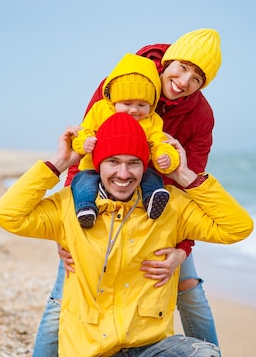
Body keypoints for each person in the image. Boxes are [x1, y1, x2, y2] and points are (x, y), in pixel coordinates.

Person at [0, 113, 253, 356]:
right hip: (91, 349)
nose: (123, 174)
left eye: (133, 163)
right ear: (98, 164)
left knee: (204, 353)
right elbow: (6, 214)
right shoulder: (69, 207)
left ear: (145, 167)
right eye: (113, 162)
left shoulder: (170, 206)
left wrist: (184, 175)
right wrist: (60, 163)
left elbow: (237, 227)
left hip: (149, 348)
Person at [34, 28, 223, 356]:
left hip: (156, 206)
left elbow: (190, 180)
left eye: (197, 78)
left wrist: (183, 248)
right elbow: (86, 153)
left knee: (189, 290)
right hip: (101, 200)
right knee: (66, 289)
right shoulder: (123, 79)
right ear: (168, 60)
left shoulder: (200, 115)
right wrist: (68, 230)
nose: (184, 81)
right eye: (182, 68)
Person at [71, 52, 179, 228]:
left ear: (152, 104)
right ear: (114, 100)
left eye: (142, 105)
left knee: (151, 176)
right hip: (93, 166)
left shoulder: (151, 120)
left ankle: (151, 199)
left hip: (133, 171)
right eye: (127, 104)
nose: (134, 110)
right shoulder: (100, 110)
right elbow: (82, 131)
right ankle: (86, 209)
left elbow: (160, 143)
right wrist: (84, 142)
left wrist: (166, 157)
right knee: (83, 181)